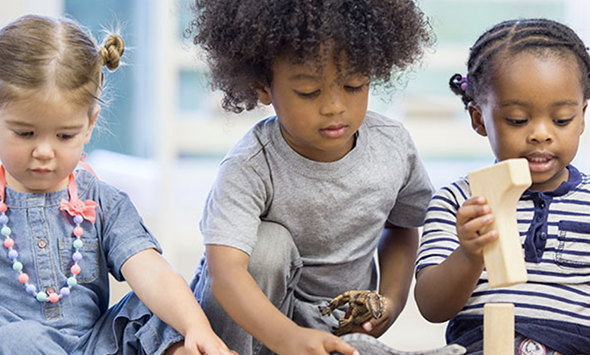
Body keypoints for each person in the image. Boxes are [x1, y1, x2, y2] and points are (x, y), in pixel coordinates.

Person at [185, 0, 434, 354]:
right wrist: (286, 337)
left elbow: (403, 225)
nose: (334, 106)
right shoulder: (252, 164)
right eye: (309, 92)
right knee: (268, 245)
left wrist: (390, 302)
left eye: (353, 85)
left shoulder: (393, 147)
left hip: (337, 322)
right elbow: (225, 274)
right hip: (248, 324)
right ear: (262, 88)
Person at [414, 18, 590, 355]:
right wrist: (469, 254)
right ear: (479, 118)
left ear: (582, 117)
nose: (540, 133)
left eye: (561, 119)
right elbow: (432, 307)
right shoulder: (459, 202)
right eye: (517, 120)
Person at [0, 14, 235, 355]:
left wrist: (195, 327)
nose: (44, 151)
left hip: (98, 346)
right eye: (25, 133)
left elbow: (151, 272)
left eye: (65, 135)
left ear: (89, 124)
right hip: (16, 345)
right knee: (16, 339)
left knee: (154, 310)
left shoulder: (104, 202)